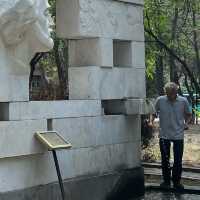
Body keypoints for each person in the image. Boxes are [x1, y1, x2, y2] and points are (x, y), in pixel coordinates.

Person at [153, 82, 192, 190]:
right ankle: (166, 181)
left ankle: (176, 182)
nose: (170, 96)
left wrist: (186, 123)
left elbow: (189, 114)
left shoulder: (183, 101)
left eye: (172, 93)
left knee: (178, 160)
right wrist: (151, 121)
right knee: (165, 160)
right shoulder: (160, 100)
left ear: (176, 92)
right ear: (165, 92)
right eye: (168, 93)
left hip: (178, 134)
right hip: (164, 134)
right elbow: (153, 112)